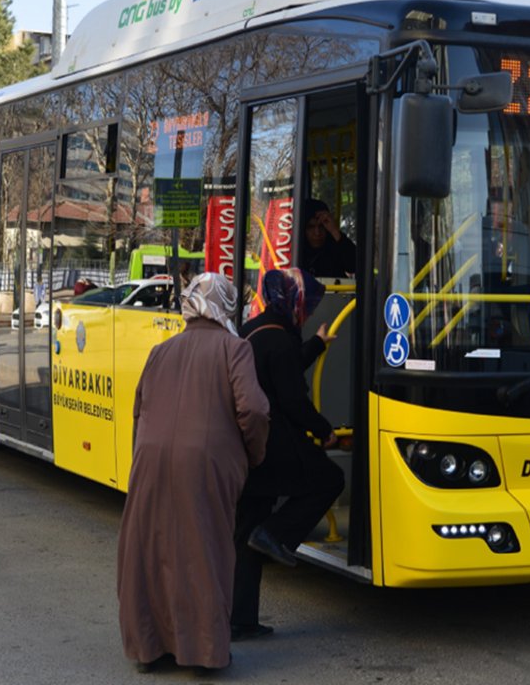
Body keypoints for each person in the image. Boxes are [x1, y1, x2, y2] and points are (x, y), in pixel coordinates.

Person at [117, 273, 270, 675]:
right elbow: (254, 409)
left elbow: (139, 408)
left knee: (151, 549)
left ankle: (150, 649)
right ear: (227, 306)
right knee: (204, 550)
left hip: (150, 460)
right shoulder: (235, 348)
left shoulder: (161, 350)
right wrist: (252, 454)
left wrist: (141, 458)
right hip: (205, 463)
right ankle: (203, 652)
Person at [231, 267, 345, 641]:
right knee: (329, 479)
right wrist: (325, 431)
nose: (308, 311)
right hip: (274, 445)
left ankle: (240, 620)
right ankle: (277, 535)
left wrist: (317, 344)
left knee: (246, 532)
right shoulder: (280, 340)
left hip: (244, 445)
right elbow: (293, 399)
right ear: (293, 302)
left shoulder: (252, 330)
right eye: (306, 304)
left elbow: (284, 367)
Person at [298, 198, 358, 278]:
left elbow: (355, 266)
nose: (317, 233)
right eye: (311, 227)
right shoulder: (295, 252)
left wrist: (335, 232)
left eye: (322, 226)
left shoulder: (334, 246)